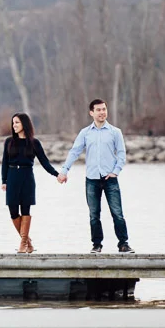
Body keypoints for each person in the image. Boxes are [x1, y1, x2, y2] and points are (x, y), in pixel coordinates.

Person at [57, 99, 133, 253]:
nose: (102, 112)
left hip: (110, 179)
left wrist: (115, 172)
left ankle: (123, 244)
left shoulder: (115, 132)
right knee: (94, 215)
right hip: (92, 180)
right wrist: (64, 171)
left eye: (104, 109)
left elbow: (121, 154)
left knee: (117, 213)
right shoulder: (85, 133)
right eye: (98, 110)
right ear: (91, 113)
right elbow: (75, 152)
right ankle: (97, 245)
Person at [1, 112, 60, 253]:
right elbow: (4, 162)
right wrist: (4, 180)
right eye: (13, 123)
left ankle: (23, 244)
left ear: (24, 124)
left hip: (27, 177)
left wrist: (57, 174)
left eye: (17, 122)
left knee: (25, 210)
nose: (14, 125)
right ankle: (28, 241)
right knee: (13, 211)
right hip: (12, 176)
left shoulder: (34, 143)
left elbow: (44, 162)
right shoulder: (9, 141)